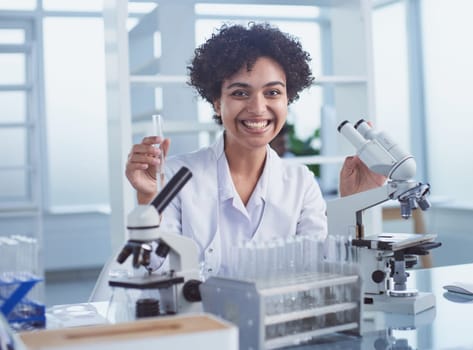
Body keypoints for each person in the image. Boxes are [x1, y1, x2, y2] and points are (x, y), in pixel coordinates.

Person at [125, 22, 384, 275]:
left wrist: (352, 205)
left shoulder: (300, 183)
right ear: (217, 103)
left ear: (287, 99)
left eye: (272, 93)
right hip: (197, 319)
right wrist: (149, 200)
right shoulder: (175, 177)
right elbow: (158, 269)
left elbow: (319, 272)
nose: (258, 108)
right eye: (240, 93)